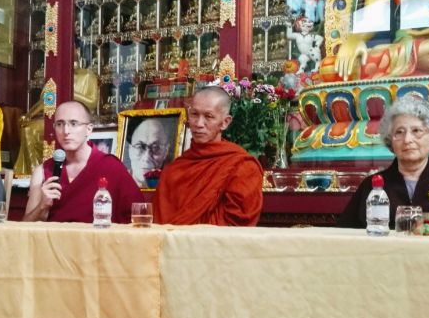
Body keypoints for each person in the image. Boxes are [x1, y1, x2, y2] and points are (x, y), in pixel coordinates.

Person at [153, 86, 264, 226]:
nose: (199, 124)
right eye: (194, 114)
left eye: (208, 116)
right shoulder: (173, 170)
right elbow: (158, 226)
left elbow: (237, 228)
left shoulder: (241, 166)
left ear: (225, 122)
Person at [338, 94, 429, 229]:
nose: (407, 139)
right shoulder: (371, 186)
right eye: (399, 132)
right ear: (390, 140)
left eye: (416, 131)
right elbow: (346, 235)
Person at [23, 101, 143, 223]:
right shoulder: (43, 172)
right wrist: (43, 206)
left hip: (97, 240)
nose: (66, 131)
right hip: (55, 241)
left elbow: (139, 215)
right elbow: (24, 229)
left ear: (89, 129)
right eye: (60, 124)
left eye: (73, 123)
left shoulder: (111, 167)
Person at [335, 0, 429, 81]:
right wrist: (353, 39)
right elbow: (372, 19)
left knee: (394, 57)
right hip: (409, 46)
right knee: (362, 61)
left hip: (420, 53)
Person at [127, 118, 172, 188]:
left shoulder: (171, 187)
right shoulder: (119, 183)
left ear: (166, 151)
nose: (146, 157)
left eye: (155, 147)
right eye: (140, 147)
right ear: (130, 150)